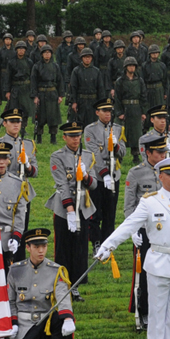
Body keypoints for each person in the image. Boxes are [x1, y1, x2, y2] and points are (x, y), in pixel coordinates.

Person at [96, 157, 170, 339]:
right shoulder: (150, 201)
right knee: (157, 312)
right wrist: (108, 245)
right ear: (160, 176)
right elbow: (129, 224)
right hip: (159, 262)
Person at [6, 228, 76, 339]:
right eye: (36, 247)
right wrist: (13, 322)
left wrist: (68, 319)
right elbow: (11, 301)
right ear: (28, 248)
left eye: (43, 246)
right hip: (25, 323)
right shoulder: (15, 271)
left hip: (46, 320)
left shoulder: (56, 270)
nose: (41, 251)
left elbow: (63, 296)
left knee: (62, 317)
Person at [45, 121, 99, 301]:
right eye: (72, 136)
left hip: (83, 207)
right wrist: (69, 209)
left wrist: (86, 176)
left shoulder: (88, 156)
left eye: (78, 136)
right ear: (64, 137)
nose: (76, 139)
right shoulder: (57, 156)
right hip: (64, 208)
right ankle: (61, 285)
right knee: (63, 247)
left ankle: (75, 286)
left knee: (80, 248)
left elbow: (94, 184)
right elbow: (62, 184)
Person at [123, 132, 168, 331]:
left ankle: (159, 311)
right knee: (142, 275)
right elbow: (128, 205)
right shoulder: (136, 173)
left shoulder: (168, 171)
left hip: (163, 231)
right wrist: (133, 229)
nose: (163, 155)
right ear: (148, 153)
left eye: (164, 151)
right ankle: (142, 311)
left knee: (163, 273)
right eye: (159, 152)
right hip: (143, 231)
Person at [84, 99, 127, 247]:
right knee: (95, 212)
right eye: (104, 111)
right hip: (97, 176)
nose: (108, 114)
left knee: (110, 212)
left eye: (109, 111)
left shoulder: (118, 129)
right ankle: (96, 242)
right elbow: (93, 153)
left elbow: (123, 152)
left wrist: (115, 146)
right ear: (97, 112)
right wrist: (104, 174)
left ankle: (107, 244)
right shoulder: (90, 130)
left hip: (114, 173)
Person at [0, 141, 34, 272]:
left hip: (8, 241)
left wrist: (17, 236)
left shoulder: (18, 184)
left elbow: (20, 214)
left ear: (9, 160)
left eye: (5, 158)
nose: (1, 162)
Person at [113, 56, 145, 164]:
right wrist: (119, 112)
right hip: (125, 108)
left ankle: (136, 155)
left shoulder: (139, 80)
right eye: (129, 66)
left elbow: (143, 96)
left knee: (136, 133)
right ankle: (120, 155)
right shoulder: (120, 81)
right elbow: (117, 98)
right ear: (126, 67)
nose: (131, 68)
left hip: (136, 108)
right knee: (122, 133)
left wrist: (144, 112)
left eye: (133, 66)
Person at [30, 43, 64, 143]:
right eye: (45, 53)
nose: (47, 54)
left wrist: (60, 95)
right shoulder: (36, 66)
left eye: (49, 52)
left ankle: (53, 138)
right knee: (40, 117)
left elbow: (60, 80)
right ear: (42, 54)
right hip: (41, 94)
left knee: (53, 117)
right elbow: (33, 82)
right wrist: (35, 96)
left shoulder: (55, 66)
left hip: (52, 94)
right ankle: (39, 138)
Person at [68, 48, 105, 127]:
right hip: (81, 102)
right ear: (82, 58)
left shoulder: (97, 71)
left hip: (93, 102)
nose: (87, 59)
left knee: (94, 125)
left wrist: (101, 104)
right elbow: (73, 87)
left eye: (89, 57)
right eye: (85, 57)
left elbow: (100, 88)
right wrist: (74, 102)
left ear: (92, 58)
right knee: (79, 125)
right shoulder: (76, 71)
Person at [3, 40, 33, 125]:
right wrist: (7, 91)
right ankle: (15, 125)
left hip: (26, 88)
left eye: (23, 49)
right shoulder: (11, 62)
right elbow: (8, 77)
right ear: (16, 50)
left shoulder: (29, 62)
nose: (21, 50)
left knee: (26, 108)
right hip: (15, 88)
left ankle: (24, 126)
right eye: (19, 49)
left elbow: (32, 76)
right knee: (15, 108)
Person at [141, 44, 169, 120]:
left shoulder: (162, 65)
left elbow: (165, 80)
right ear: (149, 54)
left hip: (159, 90)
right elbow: (142, 80)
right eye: (153, 53)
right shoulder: (145, 65)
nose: (155, 54)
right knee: (148, 108)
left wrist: (165, 92)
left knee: (159, 109)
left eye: (156, 53)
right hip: (148, 89)